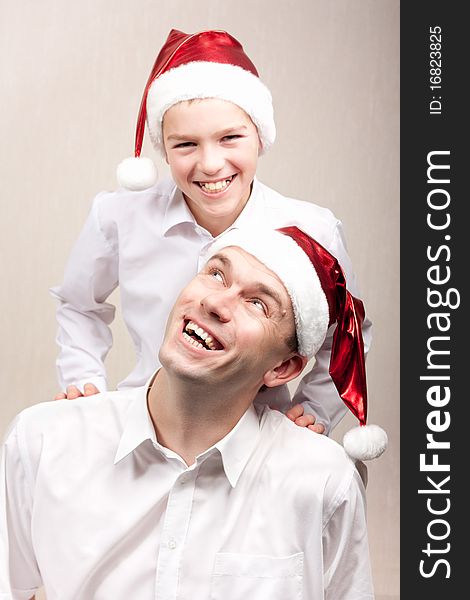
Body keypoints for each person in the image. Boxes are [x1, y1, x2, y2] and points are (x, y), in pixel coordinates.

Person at [1, 226, 385, 599]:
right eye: (216, 274)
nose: (216, 303)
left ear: (282, 369)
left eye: (257, 303)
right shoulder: (43, 441)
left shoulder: (323, 479)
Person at [50, 28, 372, 435]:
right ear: (163, 149)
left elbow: (346, 331)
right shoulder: (119, 215)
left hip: (258, 434)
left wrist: (316, 408)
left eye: (230, 138)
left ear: (260, 136)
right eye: (185, 144)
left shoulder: (313, 231)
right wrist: (84, 380)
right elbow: (79, 304)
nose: (211, 164)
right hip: (147, 425)